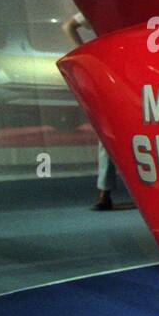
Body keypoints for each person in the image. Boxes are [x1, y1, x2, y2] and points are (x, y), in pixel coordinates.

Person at [61, 12, 115, 211]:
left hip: (121, 69)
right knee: (108, 134)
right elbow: (68, 26)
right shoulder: (96, 7)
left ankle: (105, 192)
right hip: (110, 71)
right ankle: (104, 191)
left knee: (111, 134)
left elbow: (67, 27)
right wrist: (86, 57)